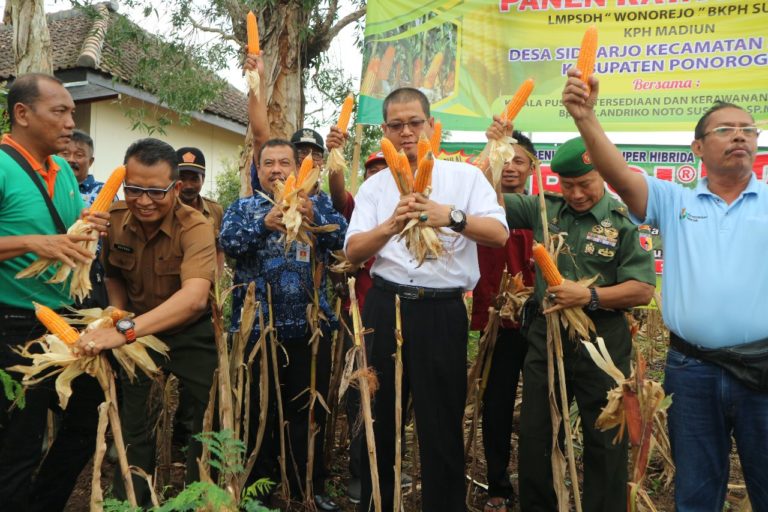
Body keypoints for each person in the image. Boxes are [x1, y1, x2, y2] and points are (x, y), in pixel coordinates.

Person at [562, 66, 768, 511]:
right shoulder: (676, 201)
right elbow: (617, 174)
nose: (740, 137)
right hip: (691, 369)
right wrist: (584, 117)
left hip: (763, 368)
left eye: (748, 130)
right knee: (696, 490)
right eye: (726, 130)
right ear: (697, 148)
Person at [345, 87, 509, 512]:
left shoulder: (465, 178)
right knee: (379, 422)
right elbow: (353, 251)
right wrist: (389, 227)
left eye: (414, 123)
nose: (406, 133)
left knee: (441, 427)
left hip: (441, 311)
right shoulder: (376, 187)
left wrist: (449, 216)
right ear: (384, 130)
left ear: (431, 125)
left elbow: (498, 234)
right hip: (386, 306)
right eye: (396, 125)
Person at [502, 134, 656, 511]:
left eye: (584, 184)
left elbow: (642, 289)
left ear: (601, 175)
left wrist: (589, 296)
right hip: (547, 335)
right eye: (567, 185)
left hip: (602, 339)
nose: (576, 194)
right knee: (538, 432)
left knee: (605, 436)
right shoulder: (543, 210)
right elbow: (484, 199)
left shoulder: (624, 222)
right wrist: (494, 153)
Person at [76, 138, 218, 507]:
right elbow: (113, 276)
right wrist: (118, 313)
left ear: (175, 187)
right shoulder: (117, 220)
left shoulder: (196, 226)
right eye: (134, 189)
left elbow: (194, 298)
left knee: (206, 423)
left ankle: (198, 499)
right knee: (136, 423)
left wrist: (122, 331)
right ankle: (133, 499)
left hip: (190, 332)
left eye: (155, 191)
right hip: (135, 332)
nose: (143, 200)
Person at [220, 138, 347, 511]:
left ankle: (308, 485)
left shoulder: (319, 203)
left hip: (311, 328)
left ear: (298, 168)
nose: (276, 170)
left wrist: (315, 218)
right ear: (257, 170)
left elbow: (343, 238)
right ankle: (259, 489)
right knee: (257, 411)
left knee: (308, 411)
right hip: (256, 330)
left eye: (284, 163)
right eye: (268, 163)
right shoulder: (244, 208)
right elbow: (229, 243)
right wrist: (263, 224)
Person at [0, 73, 108, 510]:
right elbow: (38, 238)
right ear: (22, 114)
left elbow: (63, 227)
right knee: (18, 444)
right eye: (59, 111)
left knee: (88, 420)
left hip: (67, 319)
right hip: (13, 324)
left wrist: (87, 224)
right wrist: (31, 243)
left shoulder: (62, 169)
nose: (70, 122)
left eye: (72, 112)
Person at [474, 126, 536, 512]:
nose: (511, 167)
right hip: (495, 319)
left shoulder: (543, 211)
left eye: (519, 161)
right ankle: (498, 484)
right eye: (505, 160)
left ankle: (538, 479)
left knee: (539, 407)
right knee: (495, 405)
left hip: (538, 319)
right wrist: (491, 147)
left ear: (532, 169)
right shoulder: (480, 207)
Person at [57, 128, 111, 309]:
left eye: (79, 155)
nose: (71, 159)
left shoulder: (102, 191)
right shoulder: (49, 188)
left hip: (87, 272)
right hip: (53, 267)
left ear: (91, 161)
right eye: (65, 153)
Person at [176, 146, 224, 275]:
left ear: (203, 179)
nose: (188, 185)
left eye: (194, 179)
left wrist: (217, 281)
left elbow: (220, 249)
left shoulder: (216, 210)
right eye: (182, 178)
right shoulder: (164, 210)